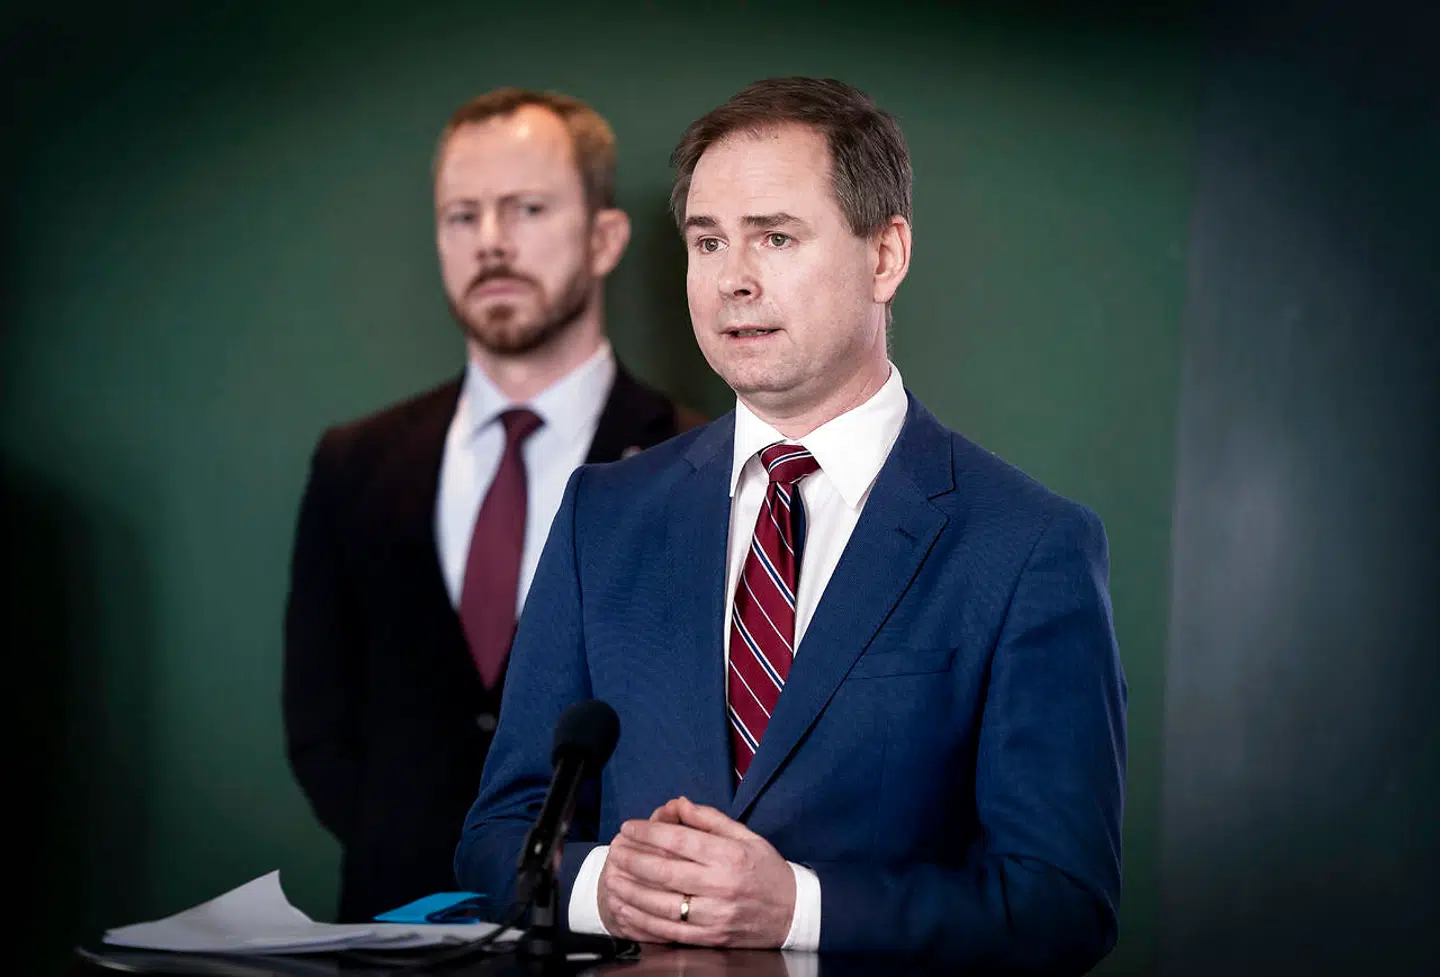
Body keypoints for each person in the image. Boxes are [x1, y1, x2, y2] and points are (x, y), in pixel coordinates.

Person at [455, 77, 1126, 972]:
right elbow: (497, 835)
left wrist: (797, 907)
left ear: (885, 256)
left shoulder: (1028, 547)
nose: (734, 279)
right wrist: (601, 886)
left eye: (775, 237)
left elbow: (1061, 907)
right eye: (708, 241)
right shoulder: (600, 518)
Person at [283, 88, 702, 923]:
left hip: (606, 936)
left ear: (605, 238)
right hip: (388, 929)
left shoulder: (696, 464)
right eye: (462, 215)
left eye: (527, 208)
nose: (491, 242)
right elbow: (320, 723)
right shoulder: (353, 463)